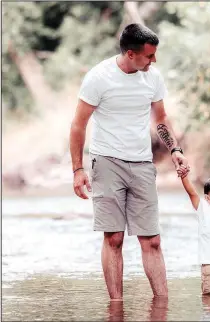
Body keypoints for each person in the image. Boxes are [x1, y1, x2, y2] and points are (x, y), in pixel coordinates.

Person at [69, 23, 189, 300]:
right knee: (114, 238)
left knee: (153, 239)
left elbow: (161, 118)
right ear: (131, 54)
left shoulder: (153, 77)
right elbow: (78, 126)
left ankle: (162, 306)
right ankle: (116, 307)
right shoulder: (98, 78)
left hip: (142, 164)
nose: (154, 60)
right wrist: (77, 169)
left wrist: (175, 149)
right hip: (107, 161)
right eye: (149, 55)